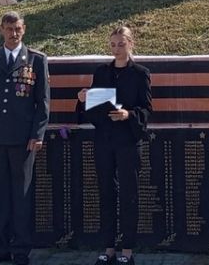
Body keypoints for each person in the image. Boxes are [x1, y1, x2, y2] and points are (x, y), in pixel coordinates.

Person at [0, 11, 50, 265]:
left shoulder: (36, 60)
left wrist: (37, 134)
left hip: (22, 139)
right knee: (0, 195)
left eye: (17, 29)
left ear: (23, 29)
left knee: (21, 196)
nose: (13, 33)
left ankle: (21, 249)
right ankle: (0, 248)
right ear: (0, 30)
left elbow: (42, 103)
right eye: (8, 29)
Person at [76, 26, 152, 265]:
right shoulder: (102, 72)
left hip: (128, 140)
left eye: (121, 44)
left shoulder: (140, 73)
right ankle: (108, 248)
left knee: (129, 194)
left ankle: (127, 250)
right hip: (105, 140)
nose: (117, 49)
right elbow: (93, 109)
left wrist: (129, 115)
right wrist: (83, 100)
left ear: (131, 44)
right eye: (113, 45)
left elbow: (147, 109)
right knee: (106, 192)